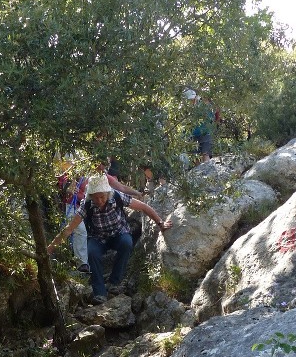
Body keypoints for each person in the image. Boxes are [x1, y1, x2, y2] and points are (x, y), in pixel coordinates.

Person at [48, 174, 172, 303]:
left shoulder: (117, 196)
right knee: (91, 252)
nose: (99, 200)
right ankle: (100, 292)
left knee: (127, 243)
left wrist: (160, 223)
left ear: (107, 193)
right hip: (98, 238)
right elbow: (69, 229)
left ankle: (114, 282)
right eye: (96, 198)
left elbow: (143, 207)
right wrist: (50, 248)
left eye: (102, 197)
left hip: (119, 234)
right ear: (91, 196)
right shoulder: (87, 205)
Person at [184, 87, 221, 163]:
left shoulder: (206, 106)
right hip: (193, 133)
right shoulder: (187, 108)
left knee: (205, 154)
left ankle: (207, 173)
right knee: (194, 156)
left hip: (205, 132)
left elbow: (215, 118)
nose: (191, 101)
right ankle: (198, 173)